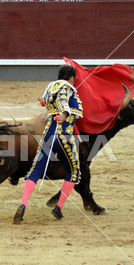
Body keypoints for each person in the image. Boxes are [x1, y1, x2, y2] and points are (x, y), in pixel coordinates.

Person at [13, 65, 83, 224]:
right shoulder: (67, 87)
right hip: (63, 136)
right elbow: (63, 100)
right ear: (72, 78)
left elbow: (43, 102)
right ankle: (58, 208)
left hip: (47, 135)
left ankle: (22, 204)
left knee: (36, 169)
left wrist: (51, 113)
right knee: (73, 171)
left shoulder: (51, 87)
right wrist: (64, 114)